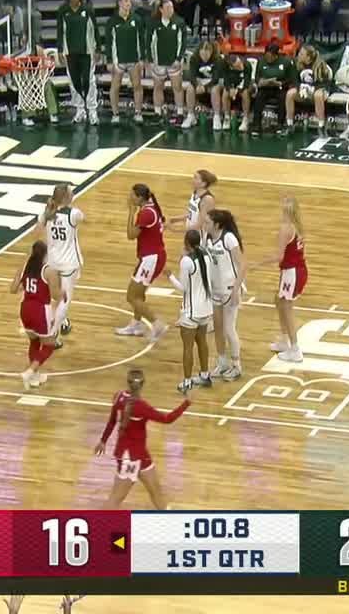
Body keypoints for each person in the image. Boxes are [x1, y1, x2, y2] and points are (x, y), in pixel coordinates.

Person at [96, 368, 190, 508]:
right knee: (115, 499)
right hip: (130, 458)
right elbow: (167, 419)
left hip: (140, 454)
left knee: (155, 490)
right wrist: (186, 403)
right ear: (143, 384)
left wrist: (103, 441)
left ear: (128, 382)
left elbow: (112, 421)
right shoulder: (141, 407)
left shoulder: (118, 396)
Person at [251, 195, 307, 362]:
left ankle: (295, 349)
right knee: (278, 299)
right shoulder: (298, 226)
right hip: (298, 269)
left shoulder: (286, 228)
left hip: (292, 271)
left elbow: (279, 256)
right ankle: (285, 340)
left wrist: (257, 264)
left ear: (286, 210)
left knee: (286, 307)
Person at [116, 183, 168, 342]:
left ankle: (157, 324)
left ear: (139, 197)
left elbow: (131, 235)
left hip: (150, 259)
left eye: (132, 195)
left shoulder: (145, 213)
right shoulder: (151, 207)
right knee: (139, 294)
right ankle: (136, 324)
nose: (129, 198)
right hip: (152, 257)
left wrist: (131, 212)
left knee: (132, 296)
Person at [9, 240, 64, 389]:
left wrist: (19, 270)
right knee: (50, 345)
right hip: (40, 310)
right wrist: (62, 291)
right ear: (45, 254)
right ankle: (30, 371)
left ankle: (34, 375)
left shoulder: (28, 270)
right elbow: (55, 295)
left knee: (34, 341)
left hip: (25, 309)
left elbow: (13, 289)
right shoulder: (48, 270)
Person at [168, 228, 214, 391]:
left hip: (191, 311)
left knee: (187, 347)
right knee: (202, 342)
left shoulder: (186, 261)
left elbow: (183, 288)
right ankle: (204, 375)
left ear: (186, 242)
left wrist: (169, 276)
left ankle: (187, 382)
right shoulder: (206, 254)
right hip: (206, 308)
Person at [37, 183, 82, 337]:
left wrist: (50, 210)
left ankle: (61, 323)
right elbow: (83, 218)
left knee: (55, 296)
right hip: (69, 263)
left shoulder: (46, 215)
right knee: (65, 299)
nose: (73, 194)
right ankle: (52, 334)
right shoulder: (74, 214)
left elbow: (38, 229)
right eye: (71, 192)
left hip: (52, 262)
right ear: (66, 197)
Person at [206, 208, 244, 382]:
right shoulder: (208, 239)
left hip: (230, 288)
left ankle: (236, 365)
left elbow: (243, 265)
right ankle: (222, 362)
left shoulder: (228, 238)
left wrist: (236, 289)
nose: (205, 224)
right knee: (218, 328)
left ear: (217, 224)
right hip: (216, 289)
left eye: (208, 222)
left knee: (229, 328)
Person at [56, 0, 99, 125]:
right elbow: (60, 31)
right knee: (74, 82)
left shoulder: (88, 10)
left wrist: (98, 49)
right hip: (70, 53)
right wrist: (60, 50)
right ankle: (80, 110)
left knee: (89, 81)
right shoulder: (63, 11)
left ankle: (92, 111)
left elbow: (96, 31)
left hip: (87, 52)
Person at [104, 0, 146, 125]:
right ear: (120, 3)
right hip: (118, 61)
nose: (129, 4)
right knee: (115, 87)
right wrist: (109, 61)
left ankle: (138, 112)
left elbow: (141, 40)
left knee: (137, 86)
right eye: (126, 1)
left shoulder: (137, 19)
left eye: (130, 1)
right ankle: (115, 114)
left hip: (134, 59)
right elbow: (109, 42)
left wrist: (142, 59)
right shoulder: (111, 22)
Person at [149, 0, 189, 125]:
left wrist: (179, 59)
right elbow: (149, 43)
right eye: (167, 8)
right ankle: (157, 113)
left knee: (177, 87)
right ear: (161, 9)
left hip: (174, 62)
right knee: (158, 87)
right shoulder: (154, 24)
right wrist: (150, 60)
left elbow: (183, 43)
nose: (170, 10)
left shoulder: (179, 22)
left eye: (171, 8)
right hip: (158, 62)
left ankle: (180, 113)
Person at [250, 42, 293, 136]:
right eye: (266, 56)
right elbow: (257, 77)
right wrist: (261, 82)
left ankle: (280, 125)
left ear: (276, 55)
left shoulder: (286, 62)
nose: (268, 59)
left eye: (270, 57)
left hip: (280, 87)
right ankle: (256, 125)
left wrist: (281, 83)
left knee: (282, 98)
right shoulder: (261, 61)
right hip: (265, 87)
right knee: (259, 97)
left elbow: (290, 79)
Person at [285, 44, 330, 132]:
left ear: (308, 57)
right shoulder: (296, 63)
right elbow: (294, 81)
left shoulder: (320, 65)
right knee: (290, 94)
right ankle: (289, 124)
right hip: (303, 90)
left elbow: (324, 83)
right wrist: (300, 88)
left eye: (302, 54)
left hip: (318, 90)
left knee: (318, 95)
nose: (299, 55)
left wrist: (312, 89)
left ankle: (321, 125)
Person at [184, 40, 225, 131]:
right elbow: (192, 75)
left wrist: (205, 87)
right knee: (190, 88)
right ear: (199, 52)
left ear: (211, 52)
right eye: (202, 54)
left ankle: (217, 116)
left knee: (215, 90)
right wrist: (197, 85)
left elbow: (216, 78)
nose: (204, 57)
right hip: (200, 81)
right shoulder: (194, 58)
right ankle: (191, 115)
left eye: (207, 54)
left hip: (215, 81)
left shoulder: (218, 59)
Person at [222, 53, 253, 134]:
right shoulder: (225, 66)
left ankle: (245, 119)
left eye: (239, 64)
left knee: (245, 92)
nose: (240, 66)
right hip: (233, 84)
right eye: (238, 66)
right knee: (225, 92)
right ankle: (227, 117)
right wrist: (230, 89)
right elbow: (226, 80)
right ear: (232, 67)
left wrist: (237, 91)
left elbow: (247, 81)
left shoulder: (247, 65)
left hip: (245, 85)